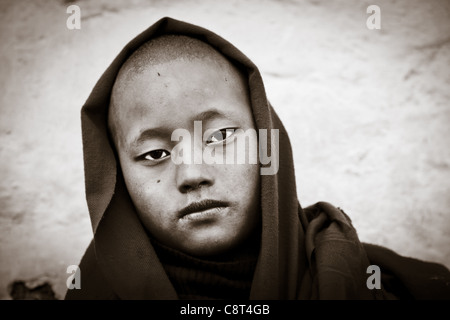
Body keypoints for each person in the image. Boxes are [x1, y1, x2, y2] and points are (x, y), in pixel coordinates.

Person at [65, 17, 450, 300]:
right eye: (155, 153)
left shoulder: (368, 282)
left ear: (269, 141)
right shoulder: (95, 292)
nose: (193, 173)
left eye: (221, 136)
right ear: (117, 177)